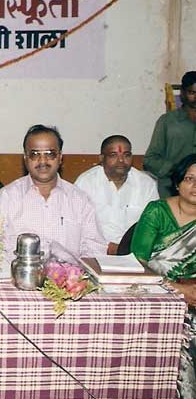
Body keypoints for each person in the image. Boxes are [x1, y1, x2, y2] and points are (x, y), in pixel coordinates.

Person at [0, 125, 106, 264]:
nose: (43, 161)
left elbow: (95, 249)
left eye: (50, 154)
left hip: (69, 276)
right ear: (25, 158)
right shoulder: (5, 199)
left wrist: (74, 274)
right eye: (35, 154)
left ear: (60, 157)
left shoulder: (80, 200)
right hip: (17, 276)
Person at [131, 153, 196, 399]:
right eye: (189, 178)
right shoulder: (157, 211)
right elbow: (137, 263)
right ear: (178, 183)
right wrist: (177, 289)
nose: (195, 185)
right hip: (156, 295)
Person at [74, 135, 159, 254]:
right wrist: (108, 248)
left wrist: (127, 249)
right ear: (102, 158)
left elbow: (153, 226)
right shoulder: (86, 183)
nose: (121, 160)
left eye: (126, 155)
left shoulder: (146, 184)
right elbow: (76, 227)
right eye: (113, 155)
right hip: (94, 253)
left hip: (134, 253)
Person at [145, 71, 196, 198]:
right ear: (182, 93)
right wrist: (178, 170)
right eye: (192, 92)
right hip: (171, 191)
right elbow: (150, 160)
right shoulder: (167, 121)